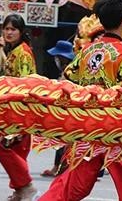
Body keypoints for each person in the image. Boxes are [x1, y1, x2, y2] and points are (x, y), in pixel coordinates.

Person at [40, 0, 122, 201]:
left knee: (74, 185)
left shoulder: (86, 52)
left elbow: (67, 78)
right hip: (114, 129)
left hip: (85, 126)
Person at [0, 14, 38, 201]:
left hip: (21, 109)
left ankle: (26, 187)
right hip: (11, 108)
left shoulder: (23, 53)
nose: (9, 32)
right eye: (6, 28)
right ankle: (21, 190)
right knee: (16, 150)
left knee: (2, 145)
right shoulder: (13, 51)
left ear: (21, 32)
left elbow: (26, 85)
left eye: (13, 29)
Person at [41, 40, 75, 178]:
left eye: (57, 57)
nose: (56, 60)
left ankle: (62, 167)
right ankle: (58, 166)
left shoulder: (70, 71)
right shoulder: (66, 69)